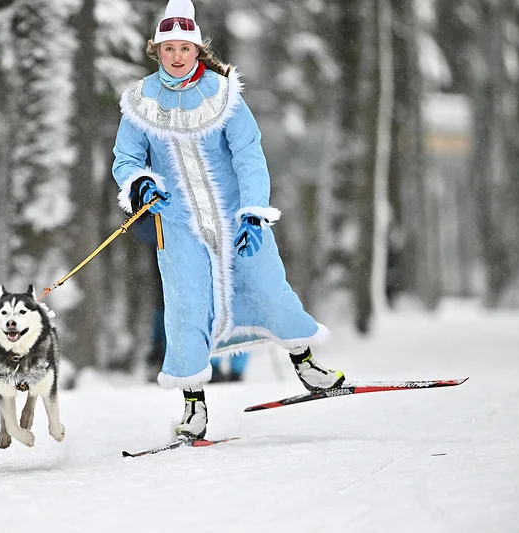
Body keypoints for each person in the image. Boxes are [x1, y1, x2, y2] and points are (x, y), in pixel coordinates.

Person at [111, 0, 345, 440]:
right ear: (156, 51)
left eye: (184, 48)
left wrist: (254, 213)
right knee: (186, 308)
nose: (176, 56)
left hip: (235, 220)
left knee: (269, 288)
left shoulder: (223, 94)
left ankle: (307, 365)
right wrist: (140, 183)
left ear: (197, 50)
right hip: (178, 227)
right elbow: (126, 158)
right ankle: (194, 407)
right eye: (168, 48)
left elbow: (248, 155)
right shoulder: (140, 101)